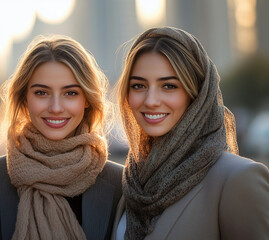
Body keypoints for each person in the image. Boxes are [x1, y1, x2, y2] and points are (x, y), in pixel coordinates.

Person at [111, 26, 269, 240]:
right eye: (139, 86)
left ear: (197, 93)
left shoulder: (237, 179)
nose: (150, 101)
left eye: (168, 86)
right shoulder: (132, 182)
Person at [0, 35, 123, 240]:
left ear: (87, 99)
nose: (55, 108)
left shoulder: (118, 183)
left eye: (70, 93)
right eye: (42, 93)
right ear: (24, 98)